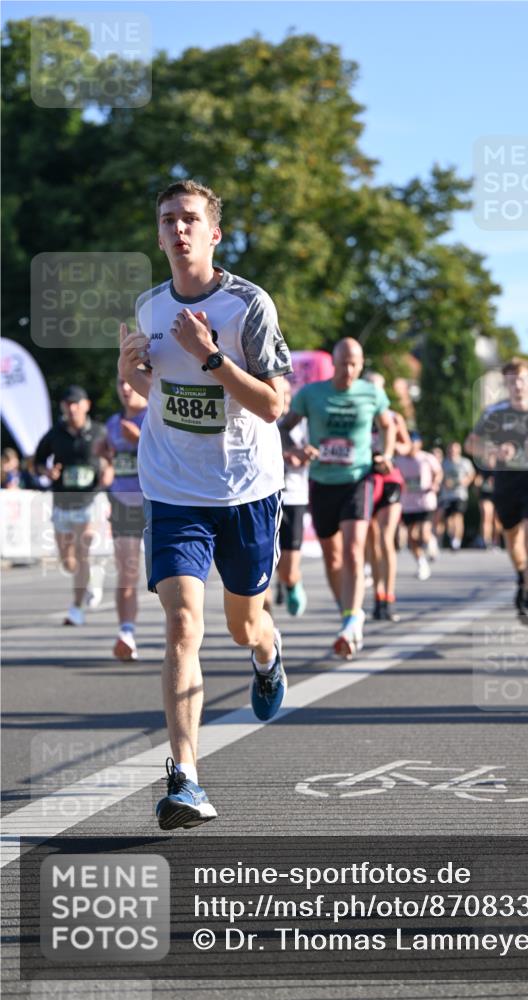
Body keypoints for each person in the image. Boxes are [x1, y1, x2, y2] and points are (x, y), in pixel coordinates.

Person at [118, 179, 292, 830]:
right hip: (172, 486)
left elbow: (275, 406)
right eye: (168, 220)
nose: (179, 229)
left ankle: (266, 654)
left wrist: (212, 356)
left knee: (242, 622)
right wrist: (127, 371)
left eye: (191, 219)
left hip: (246, 486)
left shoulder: (248, 304)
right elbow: (141, 397)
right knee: (182, 625)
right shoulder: (149, 306)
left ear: (214, 234)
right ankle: (185, 776)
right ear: (159, 234)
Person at [283, 338, 396, 658]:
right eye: (342, 363)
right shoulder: (311, 394)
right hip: (321, 481)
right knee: (332, 558)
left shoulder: (372, 393)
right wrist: (294, 451)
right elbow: (282, 427)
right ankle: (347, 609)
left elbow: (388, 424)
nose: (347, 370)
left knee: (353, 550)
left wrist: (385, 454)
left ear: (361, 365)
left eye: (354, 364)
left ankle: (350, 620)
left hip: (357, 479)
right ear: (333, 362)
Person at [465, 357, 528, 626]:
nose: (518, 386)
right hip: (506, 483)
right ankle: (522, 575)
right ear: (506, 385)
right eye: (512, 382)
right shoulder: (495, 413)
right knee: (513, 541)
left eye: (522, 380)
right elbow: (471, 444)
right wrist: (493, 451)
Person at [34, 386, 111, 626]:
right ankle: (92, 578)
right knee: (67, 561)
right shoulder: (55, 433)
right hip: (62, 501)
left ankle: (76, 608)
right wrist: (46, 471)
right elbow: (36, 461)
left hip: (89, 500)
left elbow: (111, 458)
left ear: (86, 405)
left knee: (82, 550)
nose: (71, 407)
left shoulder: (99, 431)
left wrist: (108, 471)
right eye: (67, 404)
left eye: (76, 403)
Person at [97, 377, 148, 661]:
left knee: (168, 578)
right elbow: (110, 460)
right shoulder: (113, 423)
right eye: (120, 384)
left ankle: (181, 635)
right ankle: (126, 633)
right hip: (122, 504)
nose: (126, 388)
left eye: (131, 382)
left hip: (157, 502)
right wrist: (103, 459)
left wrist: (140, 441)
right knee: (127, 572)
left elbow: (171, 456)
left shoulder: (155, 415)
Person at [365, 372, 411, 621]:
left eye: (377, 388)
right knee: (371, 541)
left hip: (390, 478)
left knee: (385, 537)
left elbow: (408, 445)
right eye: (368, 386)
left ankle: (389, 596)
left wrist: (389, 454)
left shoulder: (394, 417)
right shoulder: (359, 413)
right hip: (365, 478)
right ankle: (377, 595)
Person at [275, 380, 315, 616]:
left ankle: (290, 582)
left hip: (294, 497)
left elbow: (315, 448)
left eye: (289, 394)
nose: (286, 399)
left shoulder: (303, 424)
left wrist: (307, 454)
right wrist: (285, 455)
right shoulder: (259, 418)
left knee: (289, 568)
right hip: (266, 496)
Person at [395, 432, 443, 580]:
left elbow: (438, 472)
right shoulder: (399, 460)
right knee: (411, 536)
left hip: (425, 501)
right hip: (408, 503)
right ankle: (422, 563)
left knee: (423, 533)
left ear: (419, 444)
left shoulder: (427, 458)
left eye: (413, 442)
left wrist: (435, 484)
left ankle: (431, 541)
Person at [440, 442, 475, 550]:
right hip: (446, 495)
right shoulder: (444, 463)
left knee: (458, 517)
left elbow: (471, 475)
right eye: (450, 449)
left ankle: (457, 541)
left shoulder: (465, 462)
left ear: (459, 450)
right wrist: (444, 482)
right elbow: (438, 475)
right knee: (448, 520)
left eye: (454, 449)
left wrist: (464, 482)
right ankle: (452, 537)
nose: (452, 451)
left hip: (460, 494)